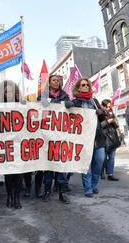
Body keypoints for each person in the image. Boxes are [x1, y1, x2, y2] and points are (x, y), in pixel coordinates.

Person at [37, 75, 72, 203]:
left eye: (58, 80)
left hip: (60, 136)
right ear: (49, 83)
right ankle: (47, 191)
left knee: (61, 165)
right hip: (46, 136)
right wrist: (59, 104)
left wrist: (55, 104)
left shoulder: (64, 95)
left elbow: (70, 104)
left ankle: (62, 192)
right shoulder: (42, 95)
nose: (57, 82)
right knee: (48, 165)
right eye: (54, 80)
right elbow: (39, 106)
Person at [70, 78, 107, 198]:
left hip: (97, 137)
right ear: (78, 88)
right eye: (83, 85)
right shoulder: (75, 103)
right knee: (87, 164)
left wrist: (102, 114)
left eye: (88, 85)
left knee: (100, 160)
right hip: (83, 138)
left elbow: (102, 120)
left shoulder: (94, 101)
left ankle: (94, 184)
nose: (86, 86)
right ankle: (88, 188)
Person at [0, 80, 24, 209]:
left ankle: (17, 198)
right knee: (8, 173)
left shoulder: (22, 105)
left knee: (18, 173)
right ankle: (9, 196)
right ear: (4, 94)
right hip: (5, 143)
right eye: (7, 92)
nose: (10, 94)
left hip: (19, 143)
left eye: (12, 92)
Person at [100, 99, 120, 181]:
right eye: (107, 106)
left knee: (111, 157)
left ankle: (110, 174)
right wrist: (107, 121)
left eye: (109, 106)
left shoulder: (112, 113)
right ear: (103, 106)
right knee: (103, 157)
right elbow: (99, 126)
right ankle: (101, 172)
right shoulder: (100, 114)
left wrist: (113, 121)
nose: (109, 108)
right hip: (104, 137)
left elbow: (117, 125)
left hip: (113, 137)